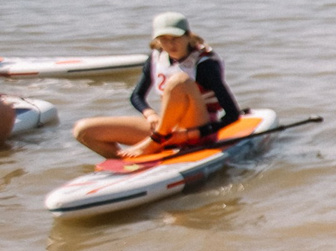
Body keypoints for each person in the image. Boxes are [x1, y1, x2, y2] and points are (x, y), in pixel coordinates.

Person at [73, 13, 241, 158]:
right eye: (164, 40)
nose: (170, 45)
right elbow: (136, 96)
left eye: (175, 39)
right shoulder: (156, 58)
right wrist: (151, 115)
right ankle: (131, 165)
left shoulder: (205, 64)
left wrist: (190, 134)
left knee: (179, 81)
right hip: (167, 128)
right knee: (83, 130)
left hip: (198, 130)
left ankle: (156, 142)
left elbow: (233, 114)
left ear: (188, 36)